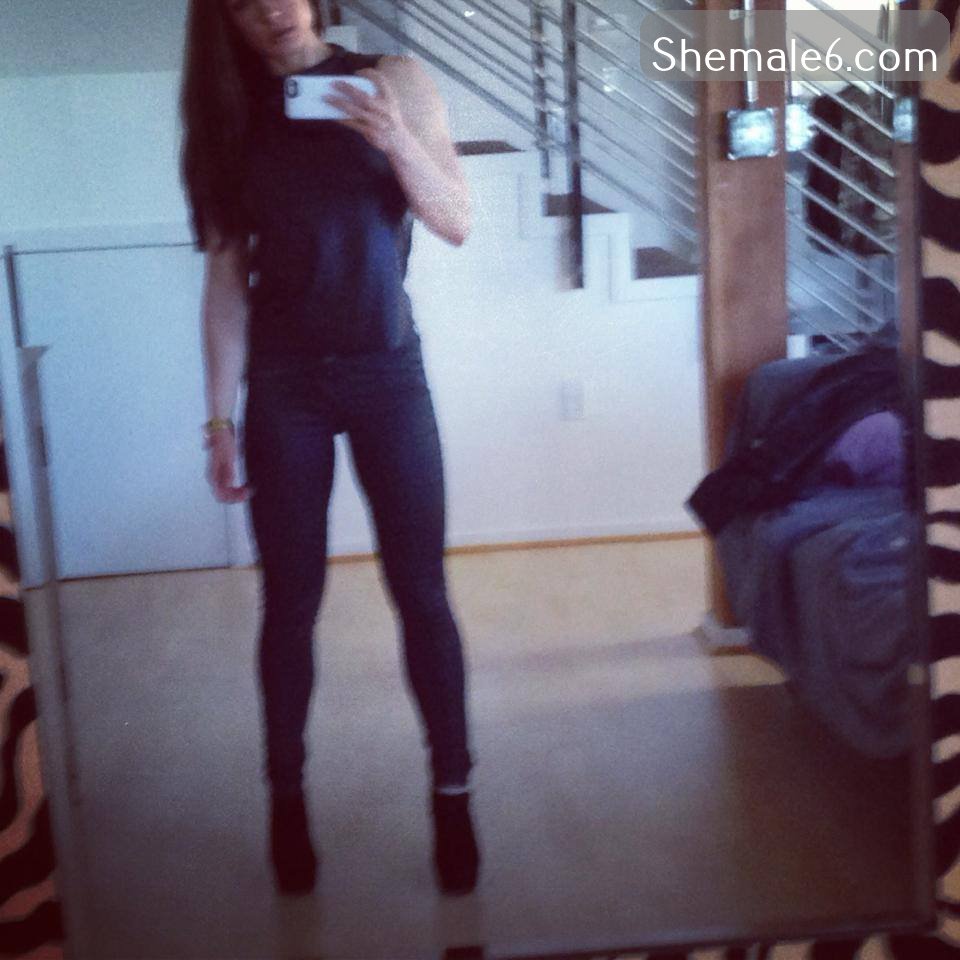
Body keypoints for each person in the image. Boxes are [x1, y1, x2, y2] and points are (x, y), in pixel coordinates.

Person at [179, 0, 479, 897]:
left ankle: (453, 794)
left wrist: (394, 138)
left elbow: (456, 219)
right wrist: (219, 422)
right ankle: (286, 798)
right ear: (224, 20)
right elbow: (226, 285)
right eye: (243, 0)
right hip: (284, 389)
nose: (270, 8)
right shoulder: (228, 124)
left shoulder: (395, 79)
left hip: (388, 374)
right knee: (290, 603)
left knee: (422, 594)